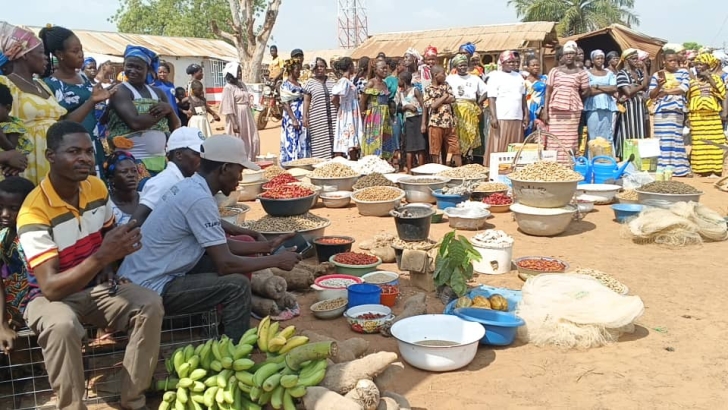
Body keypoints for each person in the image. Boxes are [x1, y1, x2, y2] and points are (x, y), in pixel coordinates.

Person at [18, 120, 163, 410]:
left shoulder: (95, 187)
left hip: (93, 286)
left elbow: (107, 233)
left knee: (149, 303)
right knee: (62, 325)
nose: (84, 158)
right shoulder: (33, 212)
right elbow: (51, 287)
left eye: (87, 151)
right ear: (50, 156)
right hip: (48, 297)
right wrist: (102, 258)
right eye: (74, 152)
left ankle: (133, 400)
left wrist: (109, 268)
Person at [118, 135, 302, 341]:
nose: (240, 178)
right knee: (237, 285)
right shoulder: (198, 198)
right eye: (239, 171)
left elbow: (219, 245)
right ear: (225, 168)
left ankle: (214, 326)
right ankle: (236, 347)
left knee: (216, 264)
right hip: (149, 288)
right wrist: (277, 260)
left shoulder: (192, 187)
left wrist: (267, 246)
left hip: (148, 277)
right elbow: (226, 264)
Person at [40, 25, 114, 179]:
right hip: (73, 152)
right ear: (60, 54)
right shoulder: (50, 85)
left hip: (92, 145)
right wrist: (91, 101)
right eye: (75, 51)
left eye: (81, 49)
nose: (81, 55)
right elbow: (62, 125)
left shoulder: (84, 78)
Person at [0, 23, 67, 184]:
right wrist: (10, 154)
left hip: (51, 159)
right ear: (25, 55)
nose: (45, 58)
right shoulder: (4, 83)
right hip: (21, 163)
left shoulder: (43, 85)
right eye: (41, 52)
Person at [107, 45, 180, 189]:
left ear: (148, 70)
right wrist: (163, 111)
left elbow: (175, 127)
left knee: (162, 196)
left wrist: (170, 110)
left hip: (160, 160)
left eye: (138, 67)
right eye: (129, 66)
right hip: (132, 161)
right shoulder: (121, 91)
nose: (132, 70)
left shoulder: (158, 92)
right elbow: (135, 123)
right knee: (143, 195)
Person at [131, 126, 204, 226]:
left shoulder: (187, 179)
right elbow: (135, 222)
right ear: (179, 155)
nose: (202, 159)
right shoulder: (165, 182)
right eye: (197, 154)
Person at [0, 176, 35, 354]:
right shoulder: (4, 235)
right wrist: (2, 324)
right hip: (11, 300)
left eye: (14, 208)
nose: (5, 214)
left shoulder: (38, 234)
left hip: (37, 295)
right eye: (0, 207)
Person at [542, 42, 590, 163]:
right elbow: (548, 91)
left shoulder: (581, 72)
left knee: (571, 137)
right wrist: (545, 110)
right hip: (555, 110)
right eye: (566, 54)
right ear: (563, 55)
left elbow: (585, 91)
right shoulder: (554, 71)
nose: (569, 56)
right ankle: (554, 164)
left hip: (573, 110)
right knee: (554, 137)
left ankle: (569, 163)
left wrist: (574, 96)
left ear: (576, 55)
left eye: (571, 53)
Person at [648, 46, 691, 177]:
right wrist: (659, 86)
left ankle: (679, 168)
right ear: (664, 61)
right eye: (670, 61)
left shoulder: (683, 73)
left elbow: (684, 88)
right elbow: (651, 95)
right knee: (662, 139)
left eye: (675, 61)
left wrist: (666, 91)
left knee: (675, 138)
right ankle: (662, 167)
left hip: (676, 109)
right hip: (661, 111)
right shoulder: (657, 75)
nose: (673, 63)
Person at [687, 52, 726, 176]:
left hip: (712, 117)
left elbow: (722, 93)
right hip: (697, 116)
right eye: (697, 64)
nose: (698, 66)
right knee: (699, 143)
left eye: (701, 64)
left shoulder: (716, 79)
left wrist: (709, 77)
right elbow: (688, 98)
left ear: (708, 66)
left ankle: (715, 170)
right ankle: (701, 170)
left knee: (714, 143)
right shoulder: (691, 80)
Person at [486, 50, 527, 165]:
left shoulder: (519, 77)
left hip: (517, 116)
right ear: (502, 63)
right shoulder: (495, 77)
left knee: (515, 145)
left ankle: (512, 168)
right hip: (502, 116)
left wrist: (526, 115)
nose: (512, 64)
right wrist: (493, 117)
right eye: (509, 62)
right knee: (499, 144)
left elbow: (523, 98)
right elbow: (491, 98)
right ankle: (496, 168)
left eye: (514, 62)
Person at [446, 53, 487, 162]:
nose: (463, 67)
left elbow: (486, 91)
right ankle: (458, 159)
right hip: (455, 110)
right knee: (456, 135)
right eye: (460, 65)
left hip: (470, 111)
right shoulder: (450, 78)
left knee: (470, 133)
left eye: (464, 65)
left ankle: (468, 157)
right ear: (456, 67)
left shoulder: (475, 78)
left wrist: (478, 102)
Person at [220, 62, 260, 163]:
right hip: (237, 116)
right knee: (238, 140)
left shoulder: (242, 84)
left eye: (240, 71)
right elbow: (228, 107)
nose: (240, 73)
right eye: (238, 71)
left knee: (253, 138)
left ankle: (250, 160)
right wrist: (234, 123)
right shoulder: (228, 88)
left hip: (247, 115)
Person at [616, 48, 649, 159]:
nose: (636, 61)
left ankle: (638, 157)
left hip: (639, 107)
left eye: (637, 58)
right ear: (626, 60)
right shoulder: (622, 74)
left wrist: (644, 68)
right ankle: (626, 157)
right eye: (633, 59)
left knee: (640, 131)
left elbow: (646, 85)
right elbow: (628, 92)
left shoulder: (639, 72)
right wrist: (640, 86)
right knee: (628, 131)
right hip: (629, 108)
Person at [360, 60, 395, 160]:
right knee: (374, 139)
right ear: (375, 70)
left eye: (386, 68)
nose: (385, 70)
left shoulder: (385, 84)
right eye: (382, 68)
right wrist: (363, 114)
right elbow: (362, 100)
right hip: (374, 116)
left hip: (385, 116)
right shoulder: (371, 83)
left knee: (385, 139)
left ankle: (384, 160)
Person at [584, 50, 618, 151]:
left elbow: (614, 88)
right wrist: (606, 89)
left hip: (607, 106)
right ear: (592, 60)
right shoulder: (587, 73)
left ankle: (606, 157)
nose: (600, 60)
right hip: (593, 106)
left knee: (606, 133)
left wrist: (597, 86)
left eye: (602, 58)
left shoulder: (609, 73)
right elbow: (589, 91)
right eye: (597, 58)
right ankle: (593, 157)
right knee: (593, 133)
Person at [423, 65, 457, 165]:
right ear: (435, 75)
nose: (445, 76)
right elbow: (432, 105)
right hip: (435, 123)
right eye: (443, 74)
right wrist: (445, 96)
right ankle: (436, 169)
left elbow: (453, 98)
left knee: (455, 148)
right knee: (435, 150)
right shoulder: (428, 89)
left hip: (449, 123)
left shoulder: (446, 85)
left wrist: (438, 100)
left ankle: (455, 169)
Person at [304, 58, 337, 159]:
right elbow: (306, 101)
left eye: (322, 66)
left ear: (326, 68)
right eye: (317, 67)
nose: (319, 69)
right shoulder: (309, 83)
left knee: (335, 142)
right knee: (320, 144)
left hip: (334, 118)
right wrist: (304, 116)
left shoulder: (332, 82)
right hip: (318, 119)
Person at [332, 57, 362, 159]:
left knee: (350, 135)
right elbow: (334, 98)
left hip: (351, 111)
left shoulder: (348, 81)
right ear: (350, 67)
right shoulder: (344, 81)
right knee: (348, 134)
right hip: (348, 112)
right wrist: (340, 107)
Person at [397, 71, 426, 172]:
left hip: (418, 119)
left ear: (403, 80)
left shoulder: (415, 90)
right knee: (409, 146)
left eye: (399, 79)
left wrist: (423, 123)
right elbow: (399, 108)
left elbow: (424, 106)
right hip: (408, 121)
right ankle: (410, 170)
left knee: (420, 146)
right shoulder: (401, 93)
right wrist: (407, 107)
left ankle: (421, 170)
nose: (398, 81)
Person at [280, 62, 309, 163]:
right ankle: (291, 163)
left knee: (302, 139)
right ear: (291, 71)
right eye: (297, 70)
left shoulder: (300, 84)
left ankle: (302, 162)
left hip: (301, 114)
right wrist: (293, 119)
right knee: (292, 139)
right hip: (291, 115)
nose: (299, 73)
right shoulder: (285, 85)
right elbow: (285, 103)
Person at [0, 83, 31, 176]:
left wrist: (1, 137)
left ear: (8, 108)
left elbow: (13, 149)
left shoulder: (13, 126)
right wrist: (7, 157)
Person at [103, 151, 139, 225]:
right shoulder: (106, 206)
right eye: (124, 172)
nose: (131, 175)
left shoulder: (147, 198)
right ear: (112, 178)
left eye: (134, 171)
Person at [524, 56, 548, 136]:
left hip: (541, 109)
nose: (536, 67)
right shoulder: (524, 80)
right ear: (528, 67)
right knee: (528, 130)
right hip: (528, 108)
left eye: (537, 65)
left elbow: (548, 93)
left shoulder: (544, 78)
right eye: (533, 65)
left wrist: (545, 109)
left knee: (541, 131)